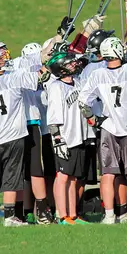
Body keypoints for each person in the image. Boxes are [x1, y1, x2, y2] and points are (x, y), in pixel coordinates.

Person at [0, 41, 49, 227]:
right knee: (11, 178)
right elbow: (41, 77)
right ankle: (9, 217)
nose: (3, 60)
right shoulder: (11, 79)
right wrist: (49, 64)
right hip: (13, 137)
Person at [78, 36, 127, 224]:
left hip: (108, 127)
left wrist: (93, 120)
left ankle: (109, 215)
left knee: (107, 174)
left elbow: (83, 101)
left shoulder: (98, 74)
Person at [46, 51, 91, 225]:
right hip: (65, 137)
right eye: (70, 63)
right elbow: (53, 116)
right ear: (61, 68)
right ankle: (61, 215)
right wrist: (57, 139)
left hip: (78, 136)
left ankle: (73, 215)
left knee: (73, 178)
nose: (74, 64)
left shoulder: (77, 82)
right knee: (63, 176)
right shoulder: (56, 87)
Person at [16, 42, 56, 225]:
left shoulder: (46, 75)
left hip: (43, 127)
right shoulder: (17, 70)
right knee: (23, 172)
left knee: (41, 171)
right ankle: (22, 211)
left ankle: (44, 209)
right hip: (22, 125)